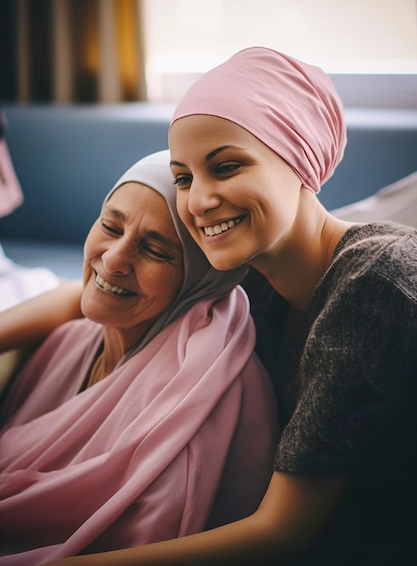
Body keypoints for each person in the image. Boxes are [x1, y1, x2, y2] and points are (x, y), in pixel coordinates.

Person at [5, 47, 417, 566]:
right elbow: (85, 292)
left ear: (300, 161)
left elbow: (281, 533)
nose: (198, 201)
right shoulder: (251, 268)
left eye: (226, 167)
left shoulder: (374, 279)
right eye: (183, 177)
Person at [0, 150, 278, 565]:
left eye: (155, 251)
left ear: (200, 278)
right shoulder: (73, 340)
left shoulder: (195, 408)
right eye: (110, 226)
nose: (113, 260)